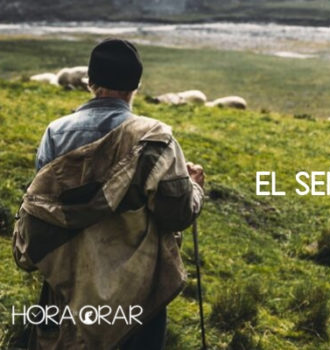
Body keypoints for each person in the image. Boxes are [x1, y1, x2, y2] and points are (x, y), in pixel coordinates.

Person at [12, 38, 204, 349]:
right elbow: (176, 214)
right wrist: (194, 186)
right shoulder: (157, 140)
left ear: (90, 82)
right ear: (136, 85)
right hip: (136, 295)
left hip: (69, 285)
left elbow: (42, 204)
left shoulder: (55, 134)